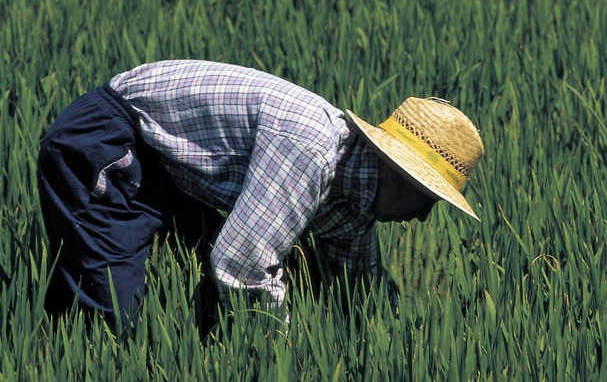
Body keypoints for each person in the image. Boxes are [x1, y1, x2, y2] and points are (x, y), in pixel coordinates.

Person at [36, 60, 484, 326]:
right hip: (111, 138)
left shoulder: (352, 194)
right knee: (112, 314)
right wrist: (282, 365)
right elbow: (244, 263)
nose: (424, 218)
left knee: (195, 293)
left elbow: (357, 284)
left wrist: (393, 336)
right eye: (428, 199)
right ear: (400, 175)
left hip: (167, 165)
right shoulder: (311, 151)